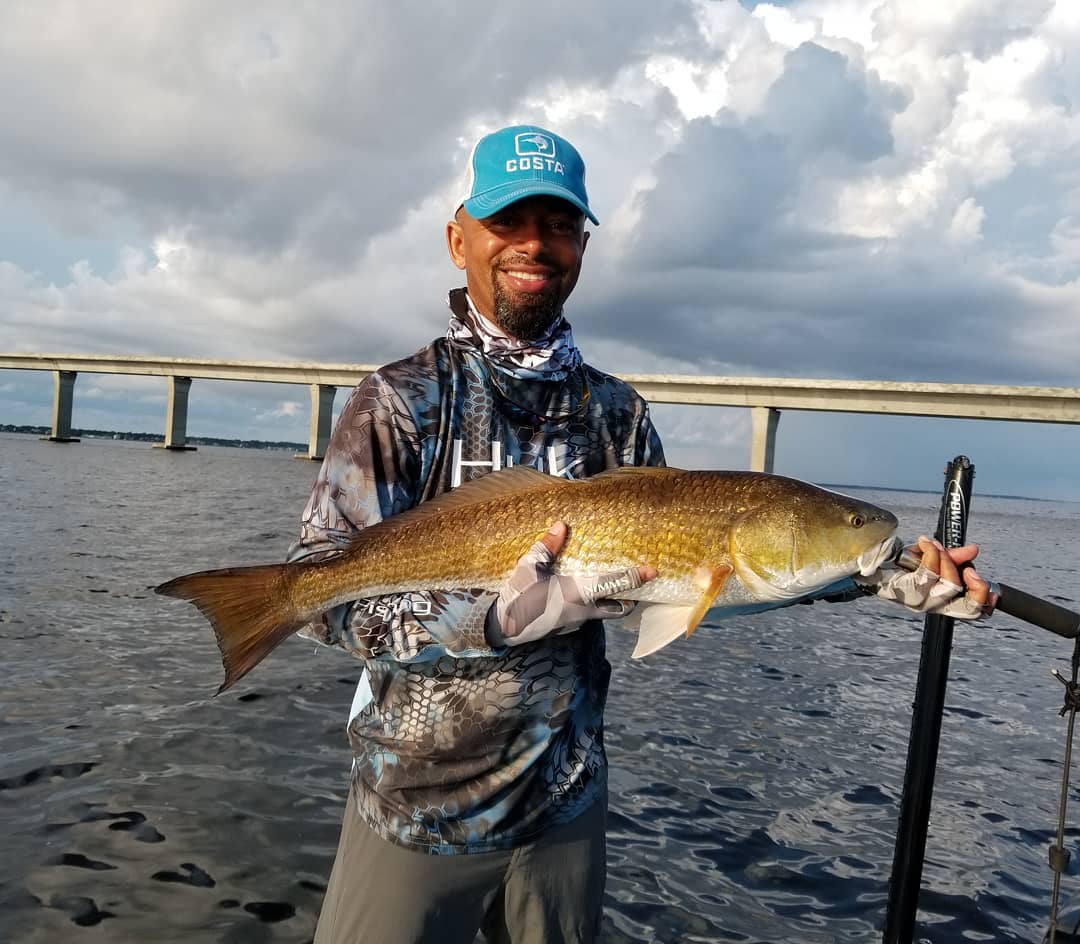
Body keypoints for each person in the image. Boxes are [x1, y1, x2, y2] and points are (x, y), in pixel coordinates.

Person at [287, 124, 994, 944]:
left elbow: (698, 587)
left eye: (557, 225)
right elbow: (318, 599)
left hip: (567, 806)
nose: (534, 244)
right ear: (458, 240)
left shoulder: (619, 414)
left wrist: (878, 576)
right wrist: (482, 621)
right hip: (415, 813)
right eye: (508, 222)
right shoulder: (399, 401)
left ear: (581, 244)